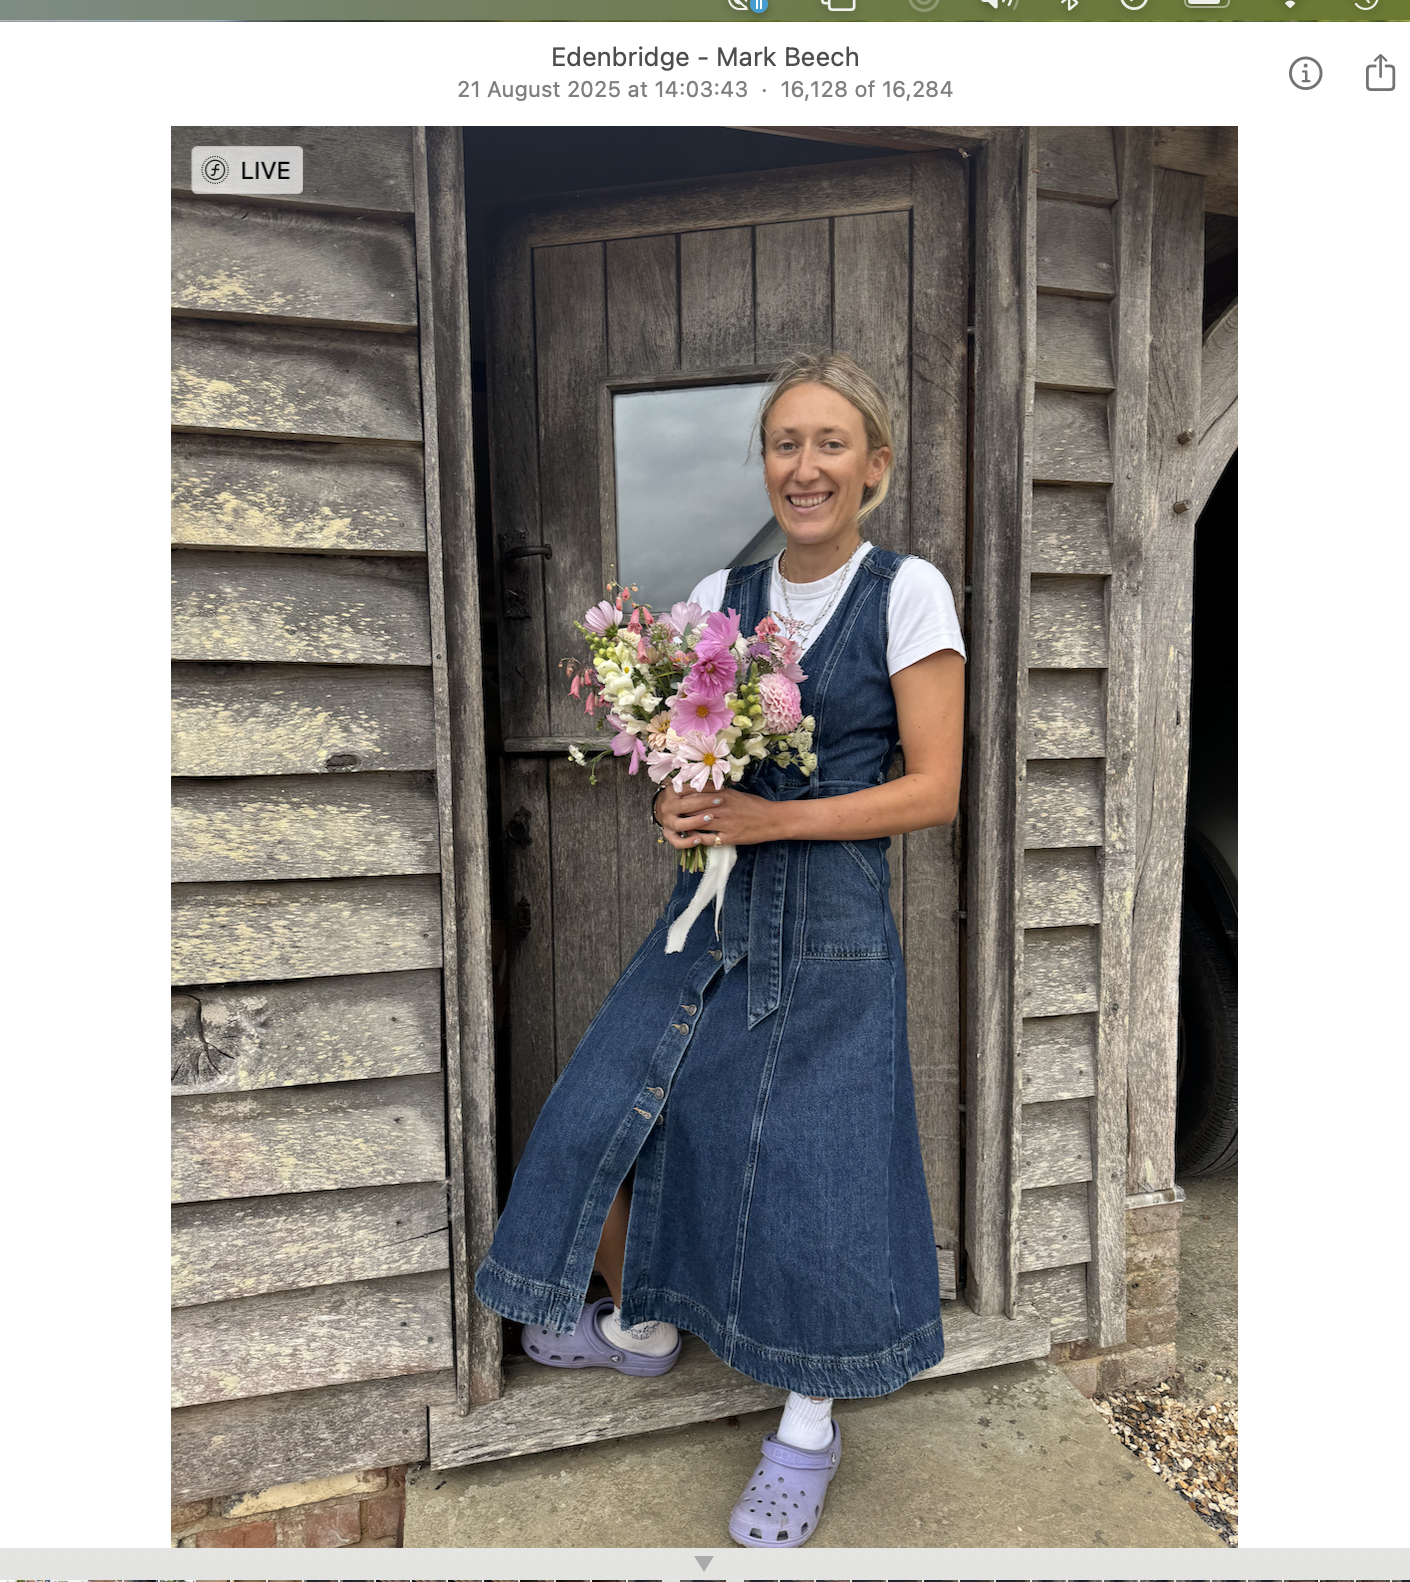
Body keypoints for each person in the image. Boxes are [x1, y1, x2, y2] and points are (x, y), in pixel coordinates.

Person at [475, 350, 966, 1547]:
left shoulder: (906, 592)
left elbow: (935, 789)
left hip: (836, 923)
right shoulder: (721, 592)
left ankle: (807, 1425)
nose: (806, 465)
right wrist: (679, 803)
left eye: (831, 443)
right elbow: (691, 756)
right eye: (786, 443)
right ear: (766, 462)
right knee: (610, 1109)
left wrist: (772, 818)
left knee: (819, 1172)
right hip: (711, 911)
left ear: (874, 465)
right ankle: (643, 1325)